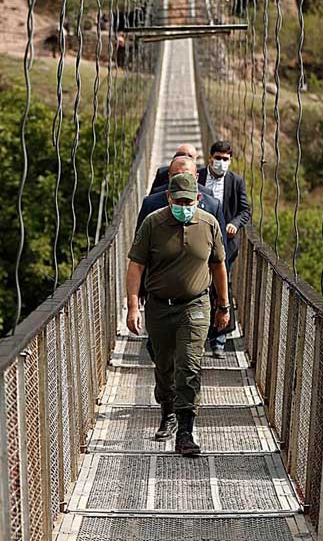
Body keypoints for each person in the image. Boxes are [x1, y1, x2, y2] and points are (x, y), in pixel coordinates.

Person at [126, 172, 229, 456]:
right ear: (169, 198)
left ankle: (186, 431)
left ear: (198, 199)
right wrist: (133, 306)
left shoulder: (209, 224)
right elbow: (135, 266)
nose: (184, 205)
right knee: (164, 366)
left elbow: (218, 266)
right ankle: (167, 410)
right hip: (159, 307)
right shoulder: (153, 223)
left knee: (189, 363)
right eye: (178, 200)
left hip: (195, 305)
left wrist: (223, 305)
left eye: (189, 200)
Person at [199, 141, 251, 358]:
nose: (221, 163)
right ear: (210, 158)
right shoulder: (198, 176)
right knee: (200, 286)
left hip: (224, 245)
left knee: (221, 287)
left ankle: (219, 338)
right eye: (218, 158)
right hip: (199, 241)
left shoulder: (236, 181)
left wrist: (235, 223)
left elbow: (245, 211)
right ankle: (198, 337)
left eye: (226, 159)